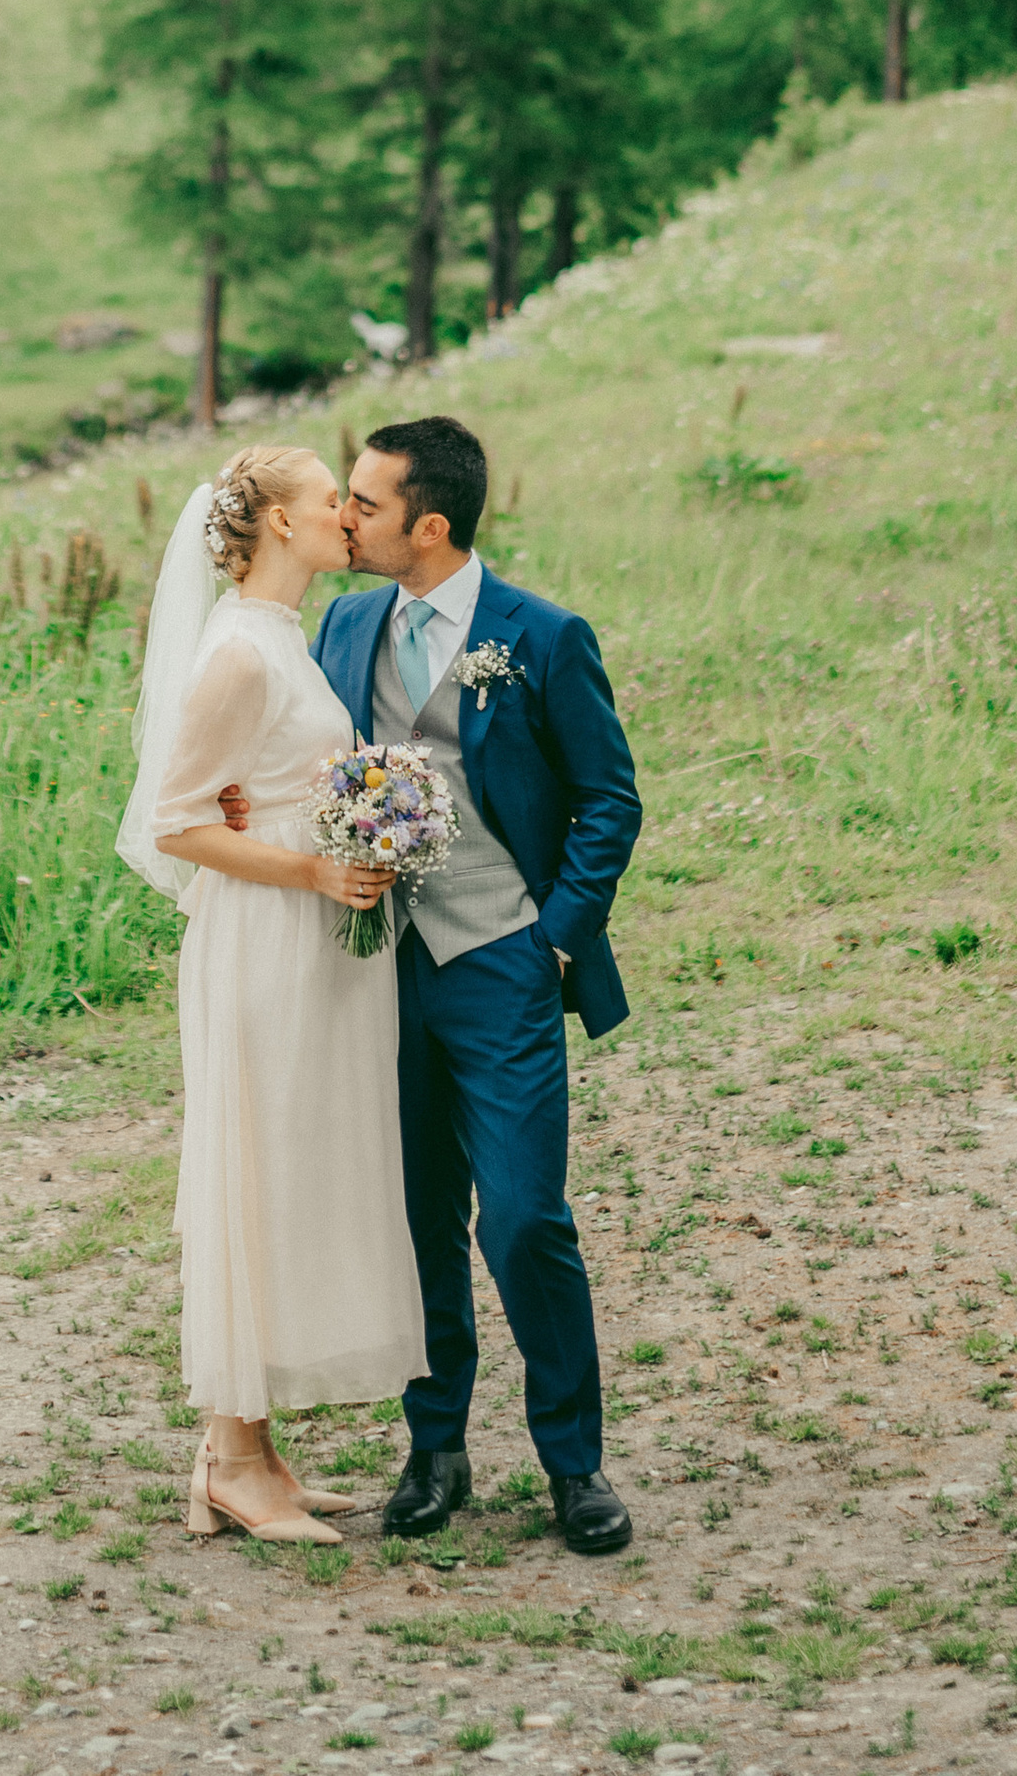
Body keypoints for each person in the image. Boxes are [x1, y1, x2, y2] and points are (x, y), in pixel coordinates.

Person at [312, 412, 643, 1557]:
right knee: (415, 1222)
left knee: (522, 1218)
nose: (343, 517)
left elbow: (610, 799)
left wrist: (552, 938)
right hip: (378, 971)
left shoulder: (541, 636)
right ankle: (434, 1449)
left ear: (429, 523)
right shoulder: (344, 624)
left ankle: (573, 1465)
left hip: (499, 960)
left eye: (363, 501)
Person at [117, 444, 427, 1547]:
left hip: (312, 940)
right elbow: (176, 821)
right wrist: (306, 867)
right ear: (282, 526)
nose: (349, 515)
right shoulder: (240, 653)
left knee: (293, 1167)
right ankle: (230, 1460)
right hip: (263, 940)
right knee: (252, 1167)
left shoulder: (284, 641)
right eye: (326, 501)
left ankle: (255, 1454)